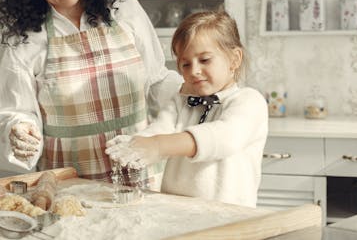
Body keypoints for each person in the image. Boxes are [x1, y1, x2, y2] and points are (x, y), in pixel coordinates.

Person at [0, 0, 181, 187]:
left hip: (143, 180)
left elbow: (156, 80)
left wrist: (200, 94)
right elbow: (17, 111)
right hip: (68, 188)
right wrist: (21, 130)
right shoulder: (24, 38)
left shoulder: (122, 7)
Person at [106, 11, 268, 207]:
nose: (194, 71)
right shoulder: (181, 100)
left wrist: (158, 146)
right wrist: (135, 144)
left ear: (234, 59)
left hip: (229, 217)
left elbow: (223, 137)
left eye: (205, 60)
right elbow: (161, 129)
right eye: (185, 64)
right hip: (177, 210)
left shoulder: (249, 101)